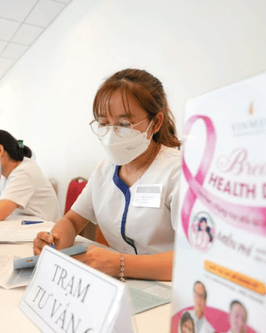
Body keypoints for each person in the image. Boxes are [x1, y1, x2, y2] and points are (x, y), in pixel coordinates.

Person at [33, 68, 181, 281]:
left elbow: (195, 258)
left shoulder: (178, 172)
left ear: (155, 123)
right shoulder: (105, 169)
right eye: (103, 123)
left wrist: (119, 264)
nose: (111, 134)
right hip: (118, 282)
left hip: (168, 288)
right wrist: (54, 241)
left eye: (123, 124)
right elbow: (73, 221)